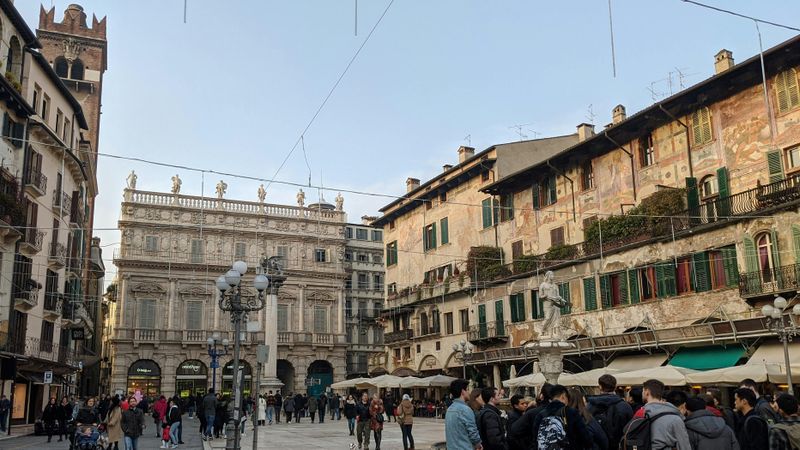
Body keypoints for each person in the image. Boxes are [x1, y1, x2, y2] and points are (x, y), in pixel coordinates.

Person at [627, 379, 690, 450]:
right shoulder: (675, 418)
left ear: (647, 392)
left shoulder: (639, 414)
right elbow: (684, 446)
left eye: (643, 391)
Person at [532, 384, 592, 450]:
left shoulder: (540, 415)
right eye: (567, 398)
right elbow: (585, 438)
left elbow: (535, 440)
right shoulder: (571, 412)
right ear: (563, 396)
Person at [586, 374, 633, 450]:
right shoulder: (625, 406)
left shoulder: (590, 406)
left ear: (600, 387)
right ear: (615, 387)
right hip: (619, 446)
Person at [508, 383, 554, 450]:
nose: (525, 405)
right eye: (522, 404)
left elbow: (514, 431)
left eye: (539, 390)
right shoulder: (563, 410)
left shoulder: (532, 412)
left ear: (542, 396)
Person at [445, 379, 482, 450]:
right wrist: (478, 444)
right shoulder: (465, 410)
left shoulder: (449, 409)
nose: (469, 392)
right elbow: (473, 432)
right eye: (467, 389)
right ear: (463, 391)